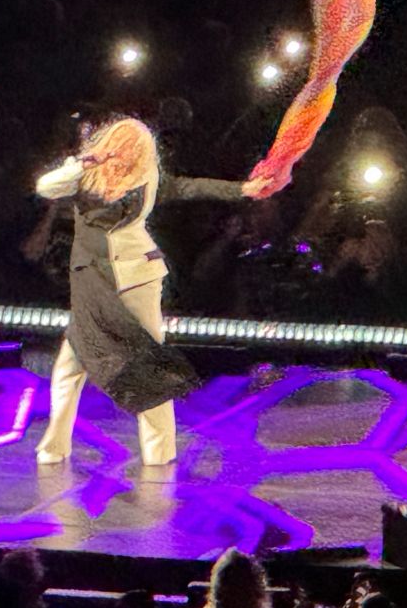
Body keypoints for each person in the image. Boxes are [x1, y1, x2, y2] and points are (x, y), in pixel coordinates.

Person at [32, 117, 269, 466]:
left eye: (134, 148)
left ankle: (160, 451)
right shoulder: (85, 176)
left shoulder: (150, 178)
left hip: (137, 278)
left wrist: (242, 190)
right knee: (71, 363)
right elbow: (45, 187)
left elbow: (192, 188)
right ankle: (55, 446)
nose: (126, 154)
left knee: (145, 360)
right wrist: (80, 164)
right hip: (93, 280)